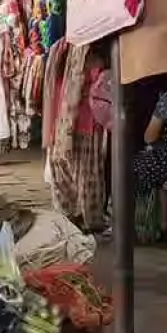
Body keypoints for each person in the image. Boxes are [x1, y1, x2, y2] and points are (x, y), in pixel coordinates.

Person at [48, 40, 112, 232]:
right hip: (80, 121)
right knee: (84, 173)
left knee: (73, 170)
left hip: (72, 122)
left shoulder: (65, 52)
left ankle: (75, 214)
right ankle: (85, 216)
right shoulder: (70, 52)